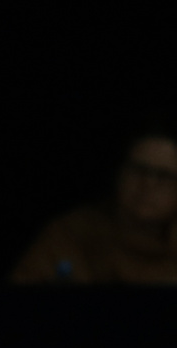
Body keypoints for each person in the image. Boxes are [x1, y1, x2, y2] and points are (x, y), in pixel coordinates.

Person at [11, 115, 177, 285]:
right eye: (138, 169)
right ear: (118, 172)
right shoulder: (72, 234)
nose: (147, 184)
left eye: (164, 176)